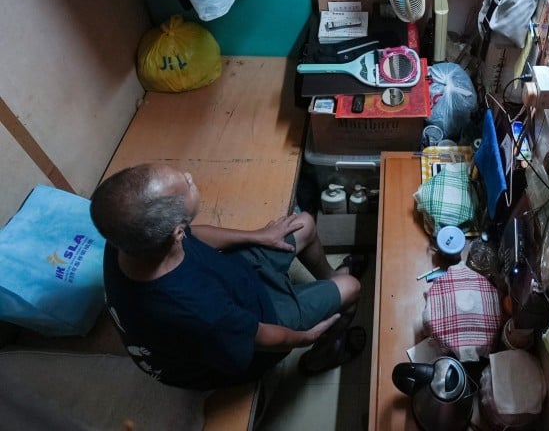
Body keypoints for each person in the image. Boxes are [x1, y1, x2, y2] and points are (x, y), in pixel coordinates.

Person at [89, 163, 364, 390]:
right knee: (352, 287)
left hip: (232, 283)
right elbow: (267, 337)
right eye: (186, 185)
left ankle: (328, 275)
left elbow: (194, 236)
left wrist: (258, 236)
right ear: (175, 232)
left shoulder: (127, 241)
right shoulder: (193, 309)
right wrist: (305, 338)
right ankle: (324, 352)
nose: (189, 175)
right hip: (255, 330)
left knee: (303, 223)